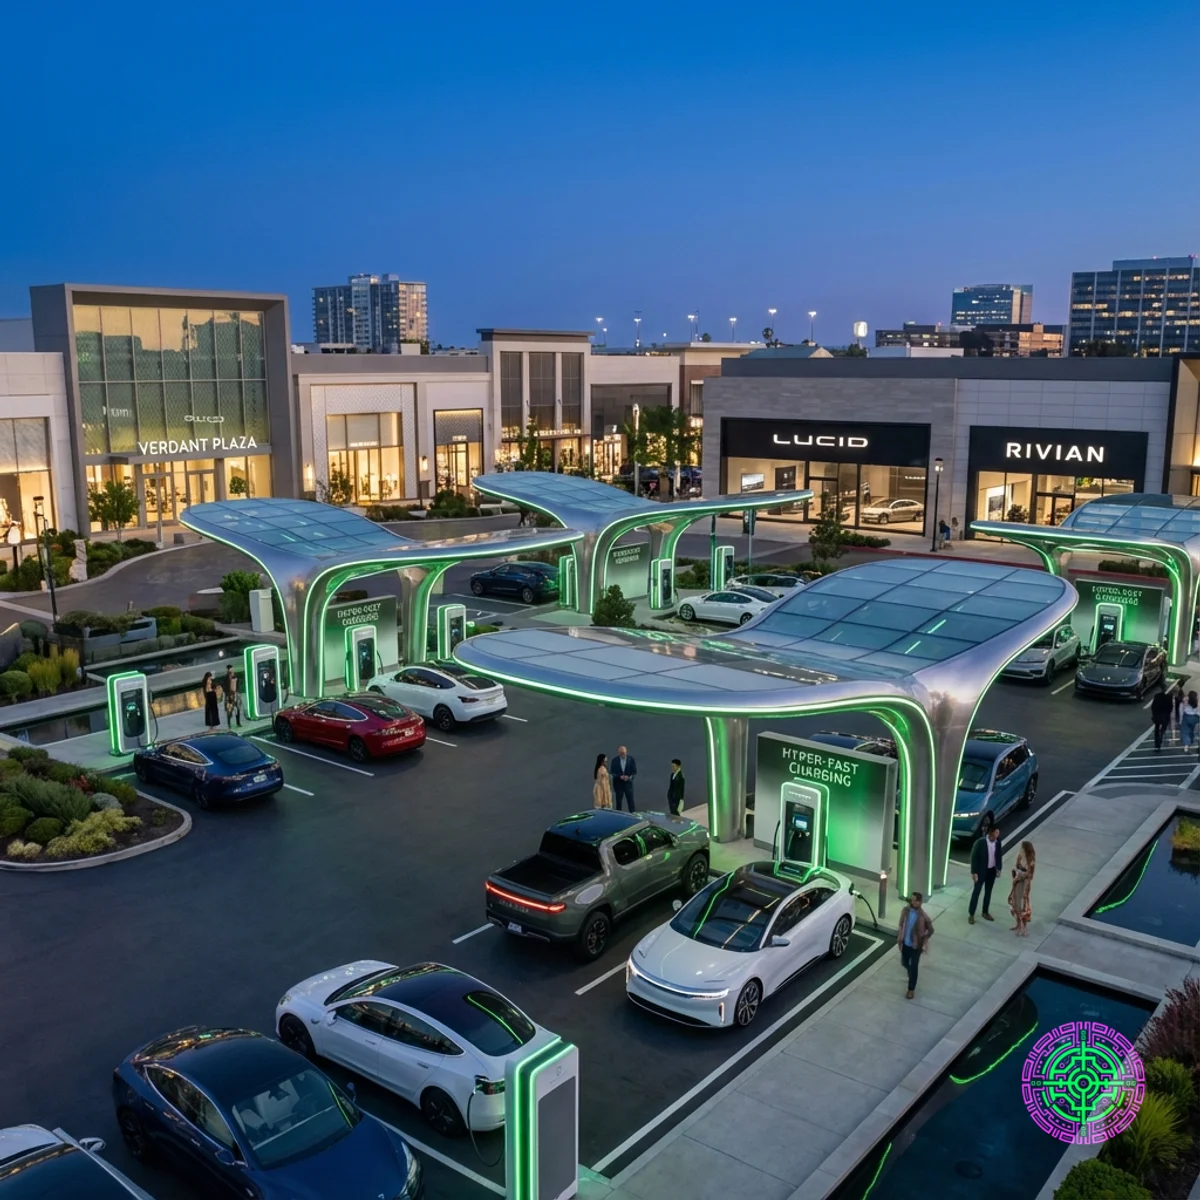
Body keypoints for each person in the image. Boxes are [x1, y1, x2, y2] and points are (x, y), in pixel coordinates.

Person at [896, 890, 934, 999]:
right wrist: (900, 936)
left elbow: (931, 930)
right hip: (905, 943)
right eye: (912, 899)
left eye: (915, 900)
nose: (913, 902)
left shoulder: (923, 917)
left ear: (920, 902)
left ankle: (911, 989)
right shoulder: (906, 911)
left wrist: (924, 938)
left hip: (916, 946)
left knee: (913, 967)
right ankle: (911, 974)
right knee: (904, 962)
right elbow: (901, 923)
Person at [968, 825, 1003, 924]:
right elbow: (974, 858)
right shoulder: (980, 842)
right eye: (996, 833)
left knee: (988, 892)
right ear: (990, 832)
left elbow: (999, 856)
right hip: (981, 871)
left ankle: (985, 912)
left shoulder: (998, 842)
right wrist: (974, 872)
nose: (997, 835)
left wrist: (999, 868)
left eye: (998, 833)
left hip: (991, 871)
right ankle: (971, 914)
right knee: (976, 892)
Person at [1008, 841, 1036, 937]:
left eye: (1022, 848)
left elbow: (1030, 875)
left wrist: (1022, 875)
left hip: (1025, 883)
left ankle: (1023, 927)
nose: (1021, 850)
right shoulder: (1020, 857)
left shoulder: (1031, 860)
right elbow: (1016, 867)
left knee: (1023, 903)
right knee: (1015, 902)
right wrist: (1016, 873)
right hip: (1017, 882)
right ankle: (1018, 924)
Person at [611, 745, 637, 811]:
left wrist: (629, 777)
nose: (623, 754)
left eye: (624, 753)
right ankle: (619, 815)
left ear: (626, 752)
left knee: (630, 801)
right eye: (621, 753)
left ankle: (633, 814)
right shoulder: (615, 760)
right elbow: (612, 773)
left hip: (628, 784)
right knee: (619, 802)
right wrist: (619, 776)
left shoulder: (631, 760)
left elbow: (634, 772)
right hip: (618, 784)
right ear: (619, 753)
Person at [1151, 686, 1174, 752]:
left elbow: (1153, 706)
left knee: (1157, 729)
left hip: (1157, 715)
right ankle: (1161, 737)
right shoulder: (1169, 697)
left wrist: (1154, 714)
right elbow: (1170, 707)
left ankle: (1157, 744)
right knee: (1163, 728)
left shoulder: (1157, 696)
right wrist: (1168, 714)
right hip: (1165, 715)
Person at [222, 665, 242, 729]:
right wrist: (227, 694)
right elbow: (224, 686)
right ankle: (229, 724)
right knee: (229, 710)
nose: (231, 671)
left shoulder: (235, 676)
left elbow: (238, 684)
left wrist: (238, 692)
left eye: (231, 669)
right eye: (229, 670)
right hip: (229, 695)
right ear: (227, 670)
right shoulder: (226, 678)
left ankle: (238, 723)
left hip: (235, 695)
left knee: (237, 709)